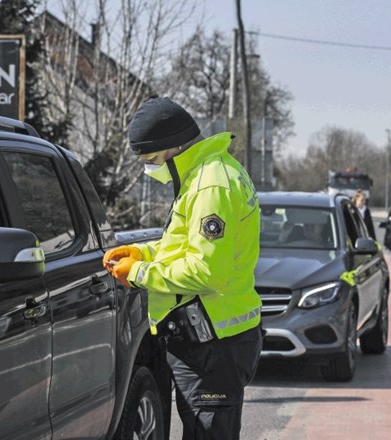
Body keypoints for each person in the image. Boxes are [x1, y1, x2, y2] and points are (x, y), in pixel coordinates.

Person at [103, 97, 263, 439]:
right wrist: (142, 252)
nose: (149, 167)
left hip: (212, 342)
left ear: (173, 147)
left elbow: (207, 271)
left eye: (150, 159)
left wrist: (138, 274)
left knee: (208, 432)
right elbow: (186, 247)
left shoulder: (210, 187)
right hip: (214, 337)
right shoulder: (206, 173)